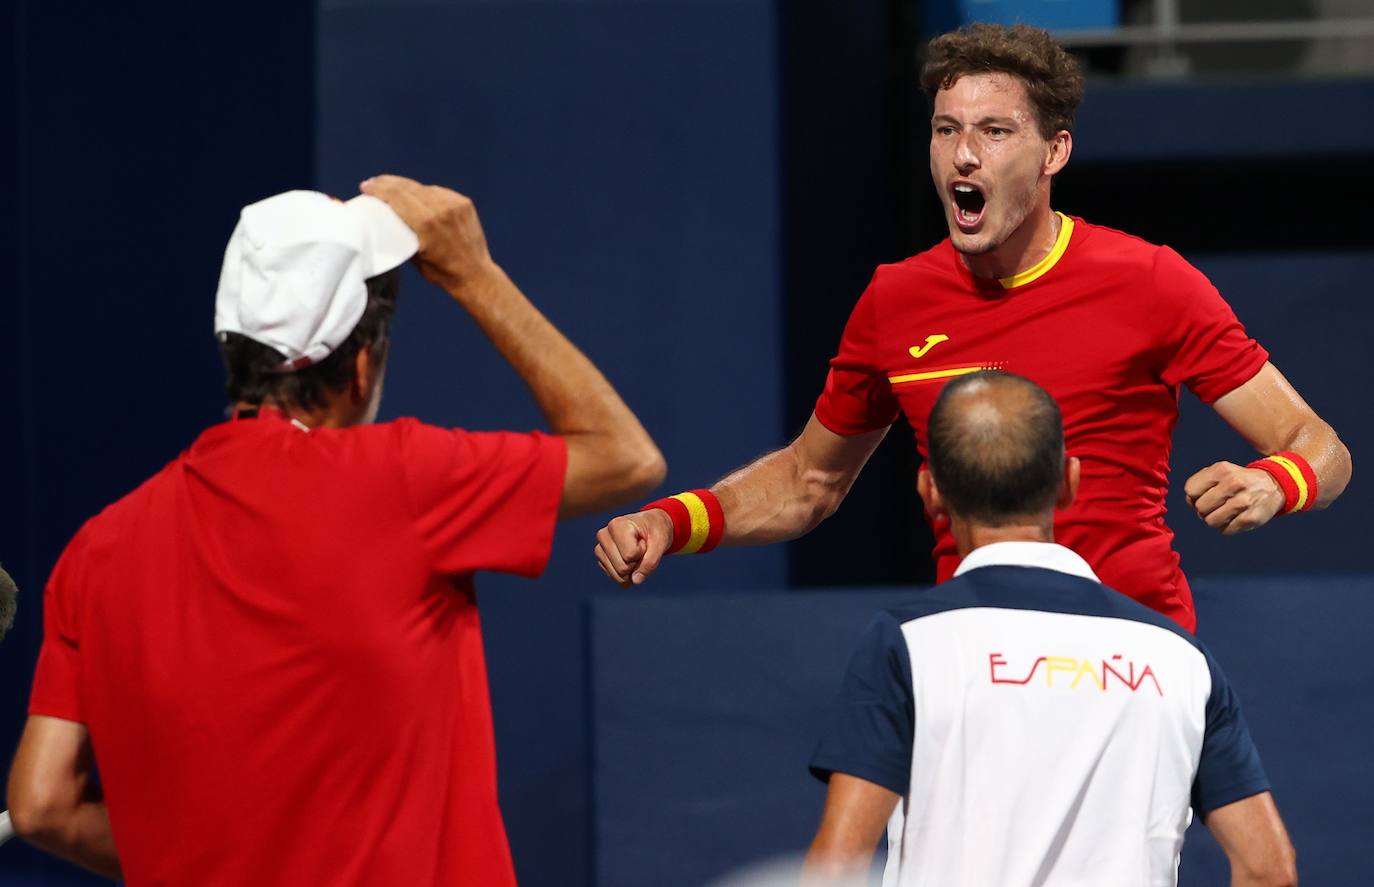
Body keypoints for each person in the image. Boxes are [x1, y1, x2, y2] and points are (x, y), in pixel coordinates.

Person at [6, 176, 665, 885]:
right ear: (360, 367)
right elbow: (626, 456)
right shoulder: (404, 479)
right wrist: (475, 275)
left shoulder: (96, 551)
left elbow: (42, 804)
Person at [594, 23, 1350, 634]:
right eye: (946, 129)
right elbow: (808, 481)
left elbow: (1320, 446)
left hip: (1133, 661)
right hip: (973, 661)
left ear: (1055, 150)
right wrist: (671, 520)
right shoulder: (897, 298)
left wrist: (1274, 482)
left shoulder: (1149, 280)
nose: (963, 153)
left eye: (994, 130)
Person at [801, 371, 1296, 887]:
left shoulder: (907, 646)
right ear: (1068, 482)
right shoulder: (1179, 660)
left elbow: (837, 869)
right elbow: (1268, 871)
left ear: (930, 491)